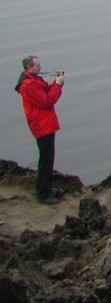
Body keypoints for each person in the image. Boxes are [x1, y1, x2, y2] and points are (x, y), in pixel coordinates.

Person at [15, 56, 65, 204]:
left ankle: (46, 189)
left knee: (48, 159)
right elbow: (46, 101)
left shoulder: (35, 80)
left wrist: (57, 83)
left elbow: (46, 92)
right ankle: (43, 194)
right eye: (37, 65)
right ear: (29, 67)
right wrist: (57, 86)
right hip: (42, 126)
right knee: (46, 160)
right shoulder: (28, 84)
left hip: (46, 124)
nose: (40, 68)